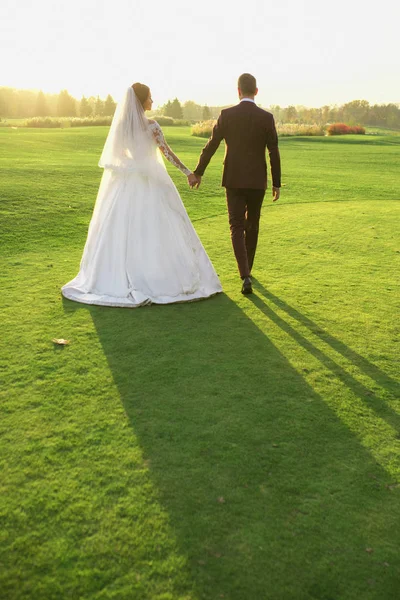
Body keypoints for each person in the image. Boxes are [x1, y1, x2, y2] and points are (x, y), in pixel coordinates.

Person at [61, 83, 222, 307]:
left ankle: (125, 274)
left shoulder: (122, 128)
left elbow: (117, 155)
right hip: (150, 180)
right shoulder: (152, 126)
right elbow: (167, 153)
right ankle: (156, 276)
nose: (152, 102)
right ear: (141, 101)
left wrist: (133, 164)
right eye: (149, 98)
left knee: (124, 227)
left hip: (128, 181)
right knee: (156, 225)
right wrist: (188, 172)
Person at [192, 73, 281, 295]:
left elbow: (211, 145)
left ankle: (244, 274)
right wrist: (276, 183)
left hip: (233, 178)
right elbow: (274, 152)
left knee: (236, 226)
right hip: (257, 180)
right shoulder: (267, 118)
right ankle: (247, 271)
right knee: (253, 225)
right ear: (256, 91)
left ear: (238, 91)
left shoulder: (226, 115)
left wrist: (198, 172)